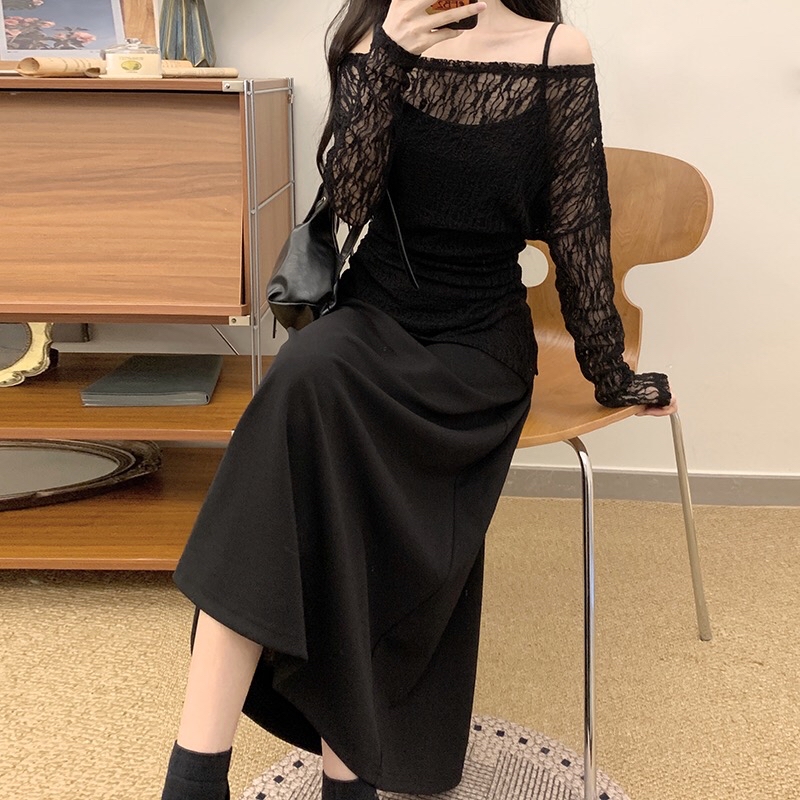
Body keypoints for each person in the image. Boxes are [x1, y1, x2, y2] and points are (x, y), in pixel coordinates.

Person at [160, 1, 677, 798]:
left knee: (329, 445)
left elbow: (579, 230)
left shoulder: (557, 51)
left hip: (477, 347)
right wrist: (388, 61)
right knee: (303, 381)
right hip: (372, 317)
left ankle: (345, 778)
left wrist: (610, 372)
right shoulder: (376, 41)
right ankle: (196, 775)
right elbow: (346, 207)